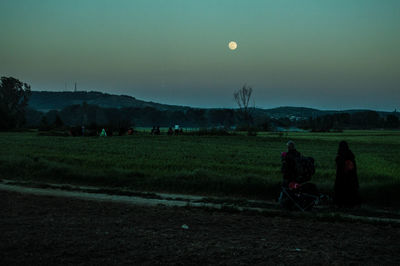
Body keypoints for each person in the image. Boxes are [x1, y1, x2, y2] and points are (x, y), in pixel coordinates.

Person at [334, 141, 360, 207]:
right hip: (351, 179)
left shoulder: (341, 156)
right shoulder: (351, 156)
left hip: (343, 179)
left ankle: (342, 203)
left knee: (342, 190)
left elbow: (340, 169)